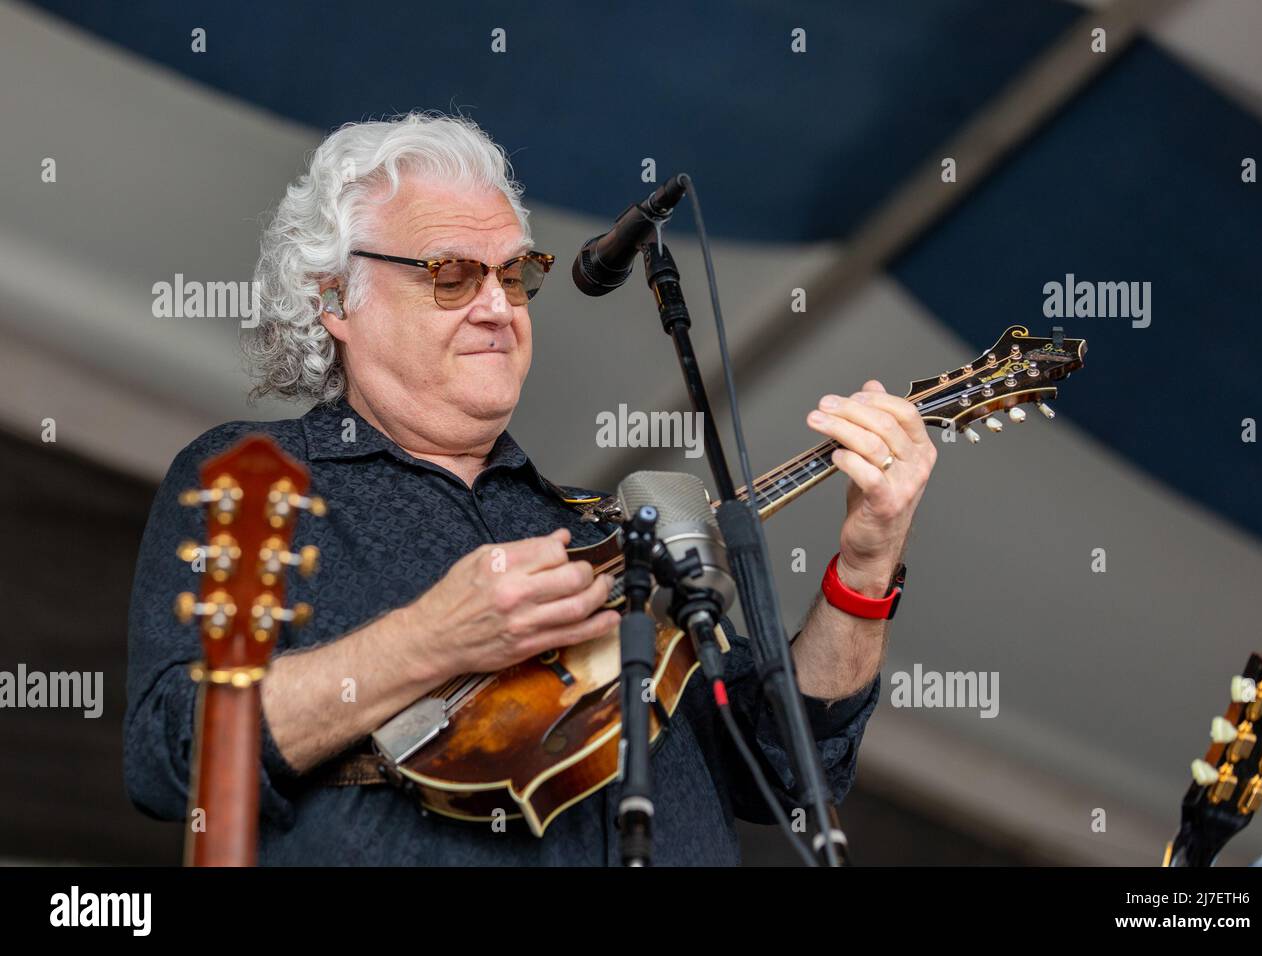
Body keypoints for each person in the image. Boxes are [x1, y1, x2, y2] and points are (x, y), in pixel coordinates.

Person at [125, 113, 937, 865]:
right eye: (449, 274)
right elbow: (173, 757)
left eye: (514, 276)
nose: (495, 307)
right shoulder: (257, 479)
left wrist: (864, 570)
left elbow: (791, 776)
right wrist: (428, 640)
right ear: (336, 298)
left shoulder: (597, 531)